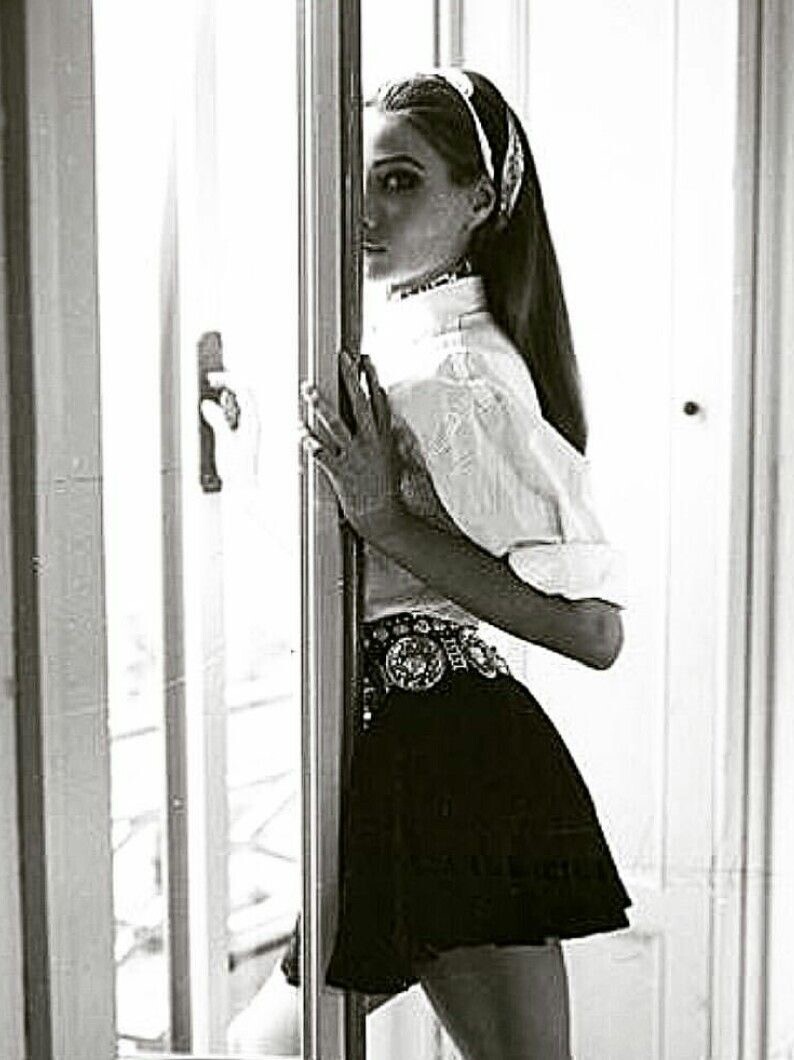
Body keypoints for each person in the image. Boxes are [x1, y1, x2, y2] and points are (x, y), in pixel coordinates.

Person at [221, 68, 631, 1060]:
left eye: (400, 181)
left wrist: (384, 517)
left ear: (478, 201)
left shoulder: (459, 370)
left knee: (264, 1049)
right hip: (411, 747)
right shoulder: (405, 347)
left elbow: (593, 631)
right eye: (356, 179)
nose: (364, 209)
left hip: (445, 755)